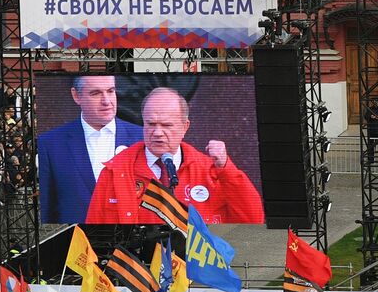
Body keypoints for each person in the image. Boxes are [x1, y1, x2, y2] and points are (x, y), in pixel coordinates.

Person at [86, 87, 264, 224]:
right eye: (151, 124)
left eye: (166, 125)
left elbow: (253, 219)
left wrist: (227, 171)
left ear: (185, 127)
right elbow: (93, 223)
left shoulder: (211, 170)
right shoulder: (115, 171)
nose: (157, 132)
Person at [37, 74, 143, 223]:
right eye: (96, 93)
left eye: (111, 91)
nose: (106, 101)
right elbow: (48, 208)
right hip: (76, 237)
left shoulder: (143, 139)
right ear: (76, 96)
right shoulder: (50, 144)